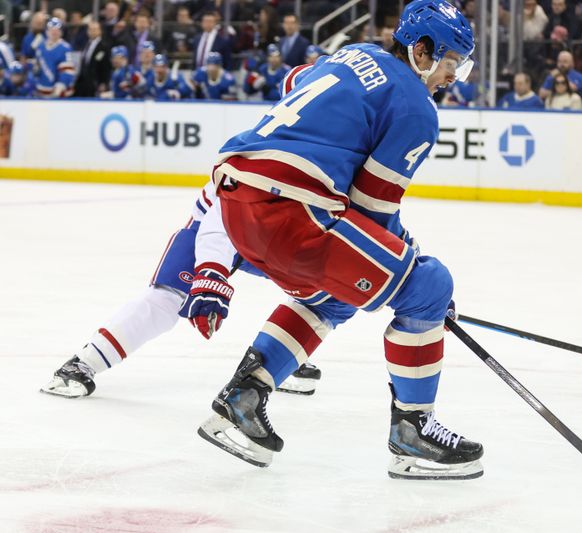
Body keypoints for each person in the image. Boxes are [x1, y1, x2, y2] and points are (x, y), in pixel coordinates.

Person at [196, 0, 484, 480]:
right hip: (292, 210)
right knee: (430, 285)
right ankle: (413, 434)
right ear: (422, 50)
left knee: (334, 296)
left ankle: (244, 398)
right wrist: (420, 290)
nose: (454, 76)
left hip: (235, 201)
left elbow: (294, 80)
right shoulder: (417, 107)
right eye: (451, 61)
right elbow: (372, 209)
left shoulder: (352, 52)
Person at [42, 180, 322, 398]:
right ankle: (82, 363)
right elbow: (221, 216)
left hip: (272, 235)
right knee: (167, 300)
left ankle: (280, 362)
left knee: (317, 292)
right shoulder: (269, 147)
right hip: (214, 224)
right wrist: (210, 273)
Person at [33, 18, 76, 98]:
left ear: (61, 32)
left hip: (59, 94)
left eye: (57, 30)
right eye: (51, 29)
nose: (54, 32)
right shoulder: (40, 47)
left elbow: (68, 71)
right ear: (46, 31)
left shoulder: (65, 48)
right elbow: (37, 68)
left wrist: (59, 88)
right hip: (41, 91)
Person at [75, 20, 112, 97]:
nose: (92, 32)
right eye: (90, 29)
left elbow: (106, 67)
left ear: (100, 31)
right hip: (84, 83)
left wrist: (104, 82)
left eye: (95, 29)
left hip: (96, 83)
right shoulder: (86, 44)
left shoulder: (104, 47)